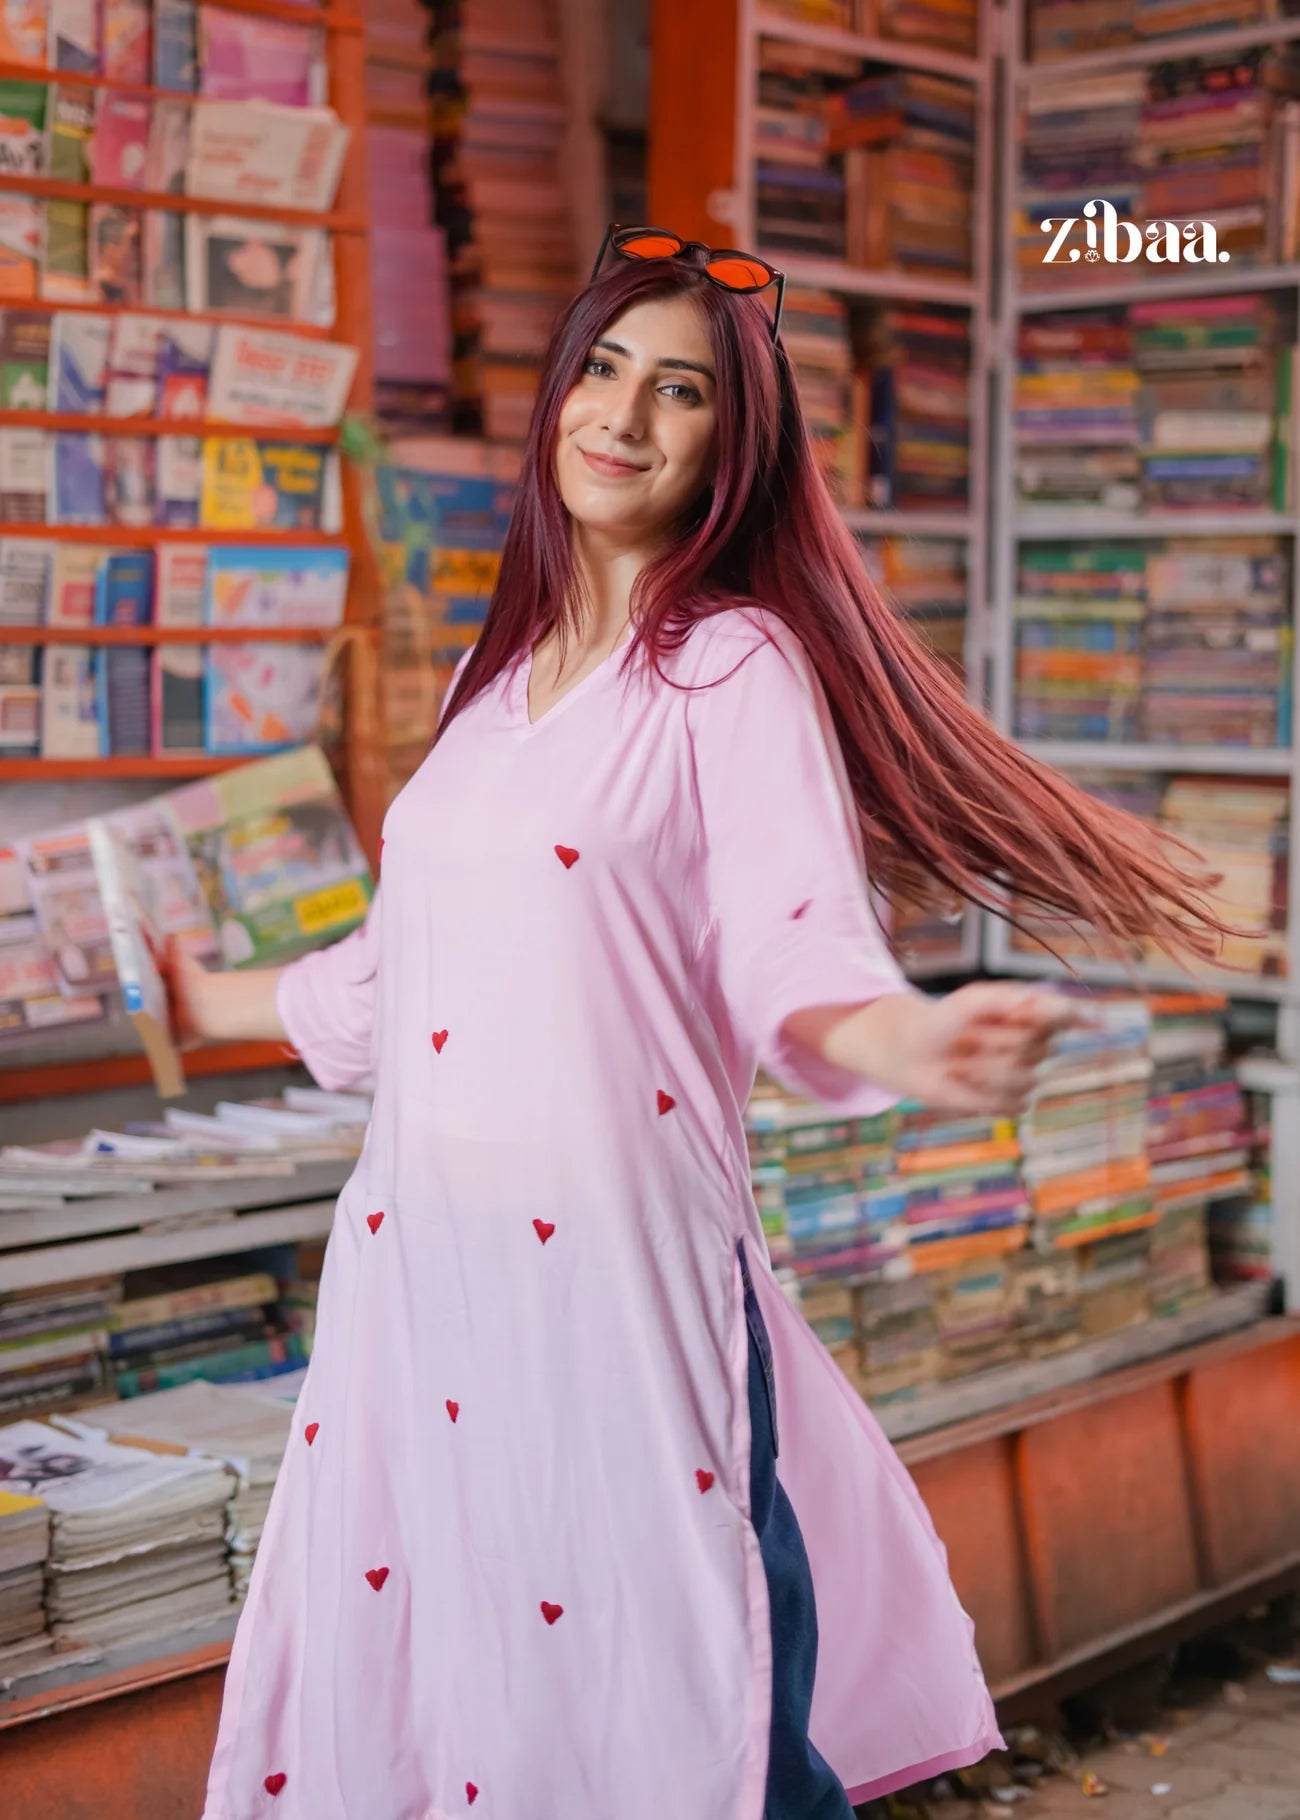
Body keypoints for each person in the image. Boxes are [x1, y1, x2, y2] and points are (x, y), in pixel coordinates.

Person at [178, 230, 1237, 1820]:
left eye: (679, 393)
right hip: (427, 1302)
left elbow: (789, 933)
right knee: (475, 1710)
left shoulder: (730, 670)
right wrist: (201, 997)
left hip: (621, 1304)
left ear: (732, 454)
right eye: (602, 369)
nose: (622, 415)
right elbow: (389, 982)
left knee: (691, 1721)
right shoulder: (496, 686)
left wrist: (903, 1042)